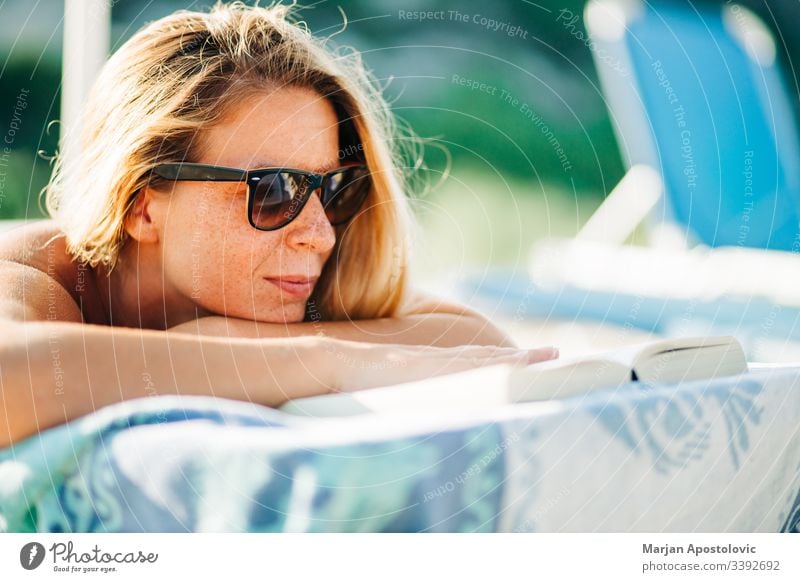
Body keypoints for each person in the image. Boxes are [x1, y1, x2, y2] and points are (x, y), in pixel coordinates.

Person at [0, 1, 558, 448]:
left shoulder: (264, 293)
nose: (321, 234)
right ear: (142, 205)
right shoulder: (31, 271)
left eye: (334, 190)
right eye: (273, 191)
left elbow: (474, 339)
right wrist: (324, 358)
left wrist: (222, 341)